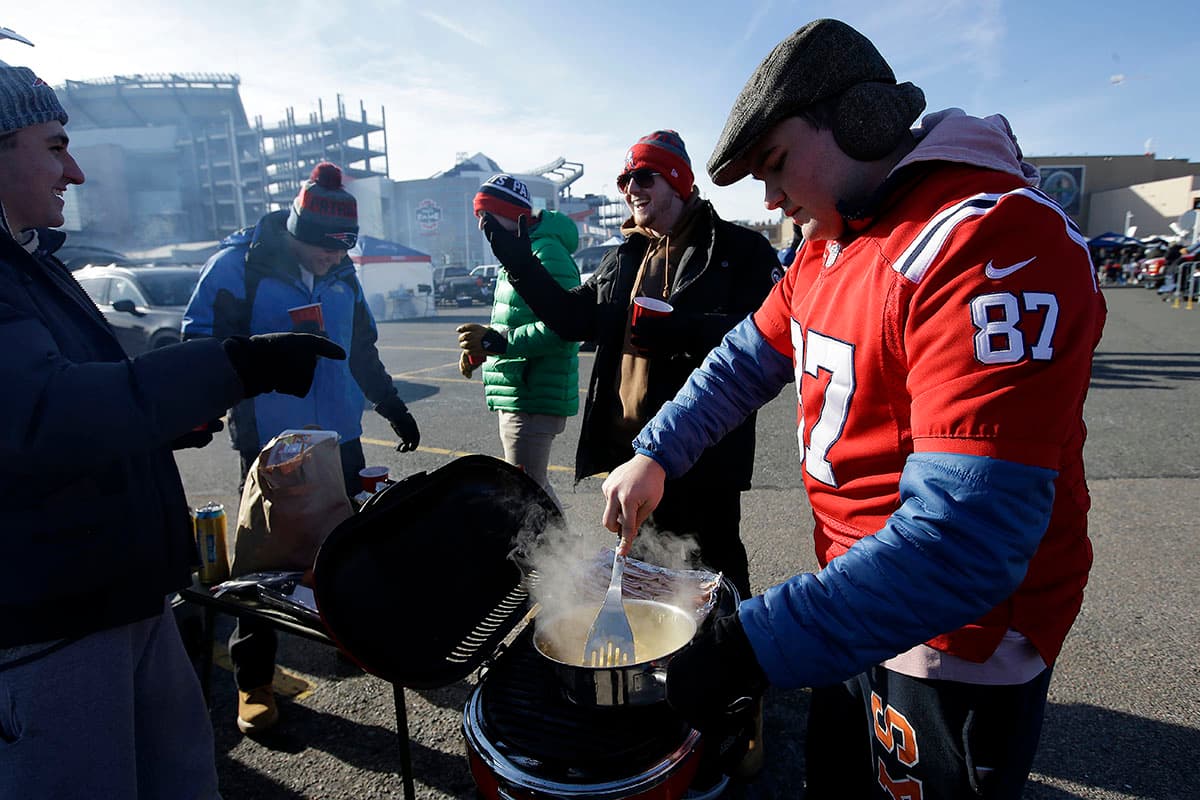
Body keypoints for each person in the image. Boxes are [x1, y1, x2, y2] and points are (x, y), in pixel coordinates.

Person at [600, 19, 1107, 797]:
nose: (769, 197)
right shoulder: (825, 242)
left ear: (862, 119)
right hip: (852, 599)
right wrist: (657, 451)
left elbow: (965, 542)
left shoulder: (991, 243)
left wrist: (750, 645)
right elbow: (745, 360)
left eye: (774, 163)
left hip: (954, 634)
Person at [0, 64, 344, 797]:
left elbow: (87, 401)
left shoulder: (31, 264)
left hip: (129, 593)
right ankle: (256, 685)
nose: (76, 169)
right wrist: (234, 367)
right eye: (55, 145)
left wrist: (167, 420)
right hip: (48, 623)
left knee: (186, 779)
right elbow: (40, 417)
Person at [480, 130, 779, 602]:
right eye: (624, 180)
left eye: (643, 176)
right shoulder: (626, 254)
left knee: (714, 571)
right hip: (632, 452)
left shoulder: (738, 250)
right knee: (645, 575)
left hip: (700, 451)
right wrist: (519, 262)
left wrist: (683, 329)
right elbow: (572, 318)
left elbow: (766, 337)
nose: (630, 189)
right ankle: (660, 668)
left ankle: (734, 663)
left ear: (679, 182)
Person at [183, 161, 420, 735]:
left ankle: (349, 640)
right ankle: (254, 681)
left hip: (341, 437)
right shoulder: (238, 268)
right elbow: (198, 348)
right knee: (263, 566)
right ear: (299, 229)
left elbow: (362, 349)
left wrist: (390, 405)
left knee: (347, 549)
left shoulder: (343, 276)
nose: (335, 260)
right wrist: (205, 405)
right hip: (273, 447)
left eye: (344, 252)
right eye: (326, 249)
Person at [455, 174, 581, 509]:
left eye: (486, 214)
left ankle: (562, 557)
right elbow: (516, 318)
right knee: (532, 489)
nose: (481, 224)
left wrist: (496, 343)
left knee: (526, 495)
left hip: (534, 396)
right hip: (519, 393)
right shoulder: (514, 251)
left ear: (512, 215)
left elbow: (563, 328)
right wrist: (483, 349)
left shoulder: (546, 252)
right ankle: (566, 555)